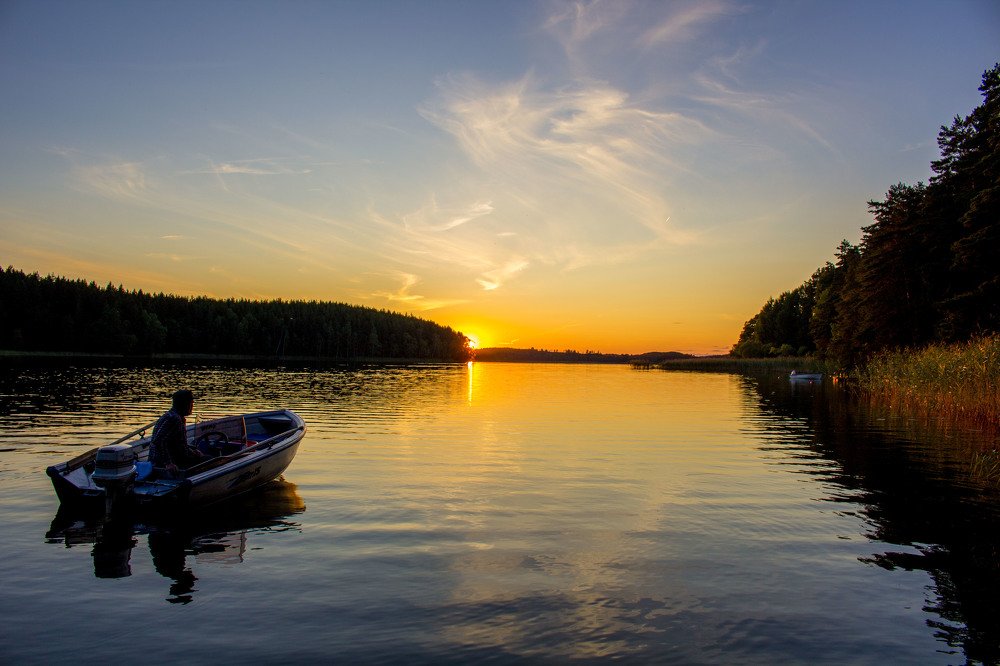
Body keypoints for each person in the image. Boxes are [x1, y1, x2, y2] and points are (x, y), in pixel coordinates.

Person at [148, 389, 205, 476]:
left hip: (175, 457)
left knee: (200, 455)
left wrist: (193, 451)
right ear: (185, 404)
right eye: (191, 403)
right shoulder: (174, 419)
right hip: (164, 463)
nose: (192, 405)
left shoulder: (175, 417)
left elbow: (178, 444)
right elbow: (158, 441)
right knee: (210, 460)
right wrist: (168, 463)